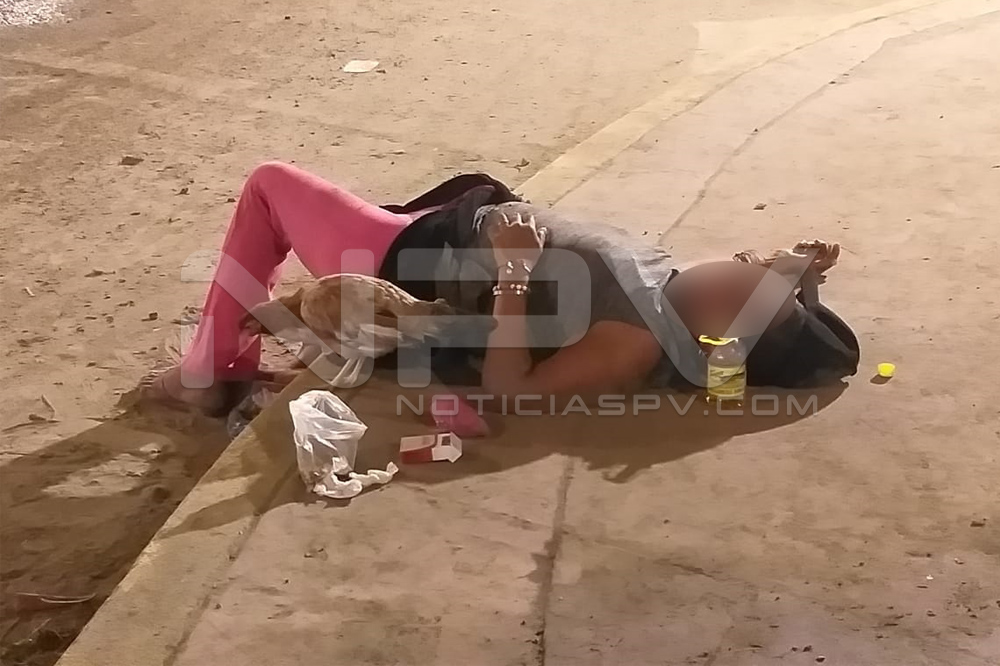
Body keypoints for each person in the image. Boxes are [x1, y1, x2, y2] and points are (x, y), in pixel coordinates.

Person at [143, 161, 850, 414]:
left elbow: (510, 389)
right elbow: (733, 303)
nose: (740, 265)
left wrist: (514, 271)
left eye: (745, 285)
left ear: (718, 334)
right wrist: (795, 266)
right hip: (453, 228)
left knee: (271, 184)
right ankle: (227, 357)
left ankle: (205, 373)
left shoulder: (632, 343)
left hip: (416, 260)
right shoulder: (675, 301)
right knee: (299, 200)